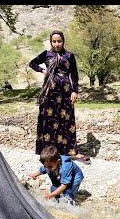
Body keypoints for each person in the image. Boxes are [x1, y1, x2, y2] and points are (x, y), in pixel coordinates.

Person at [28, 30, 90, 164]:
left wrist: (75, 91)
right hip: (50, 94)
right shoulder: (46, 54)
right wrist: (43, 70)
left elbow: (74, 75)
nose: (57, 44)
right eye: (54, 41)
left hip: (65, 93)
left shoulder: (69, 56)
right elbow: (32, 63)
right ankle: (48, 151)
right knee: (50, 120)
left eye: (59, 41)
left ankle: (67, 150)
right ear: (51, 42)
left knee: (65, 120)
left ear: (63, 41)